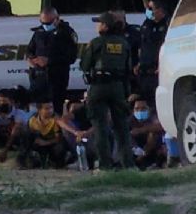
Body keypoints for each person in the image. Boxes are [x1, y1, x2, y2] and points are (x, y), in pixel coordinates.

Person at [80, 11, 135, 170]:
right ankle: (128, 164)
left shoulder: (96, 43)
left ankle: (105, 165)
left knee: (100, 127)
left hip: (98, 87)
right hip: (118, 87)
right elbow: (128, 68)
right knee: (122, 127)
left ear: (105, 26)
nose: (98, 25)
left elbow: (84, 66)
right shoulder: (124, 43)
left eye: (99, 23)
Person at [26, 7, 78, 114]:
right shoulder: (39, 31)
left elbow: (71, 57)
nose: (45, 25)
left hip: (57, 77)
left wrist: (49, 61)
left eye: (48, 22)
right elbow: (30, 49)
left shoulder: (67, 33)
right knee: (37, 107)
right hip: (39, 76)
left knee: (56, 108)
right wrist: (31, 59)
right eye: (42, 22)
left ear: (57, 19)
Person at [137, 0, 169, 105]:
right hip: (144, 72)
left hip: (158, 71)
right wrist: (139, 63)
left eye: (151, 8)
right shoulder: (146, 24)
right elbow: (142, 45)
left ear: (160, 10)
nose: (148, 11)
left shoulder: (168, 25)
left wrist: (163, 65)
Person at [19, 101, 66, 168]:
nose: (50, 110)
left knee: (59, 148)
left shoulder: (55, 120)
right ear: (39, 110)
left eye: (51, 108)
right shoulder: (32, 120)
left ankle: (56, 164)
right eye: (46, 108)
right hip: (39, 144)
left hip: (51, 144)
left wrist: (45, 142)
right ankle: (23, 161)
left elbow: (58, 138)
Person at [0, 89, 28, 162]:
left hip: (15, 142)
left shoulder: (19, 113)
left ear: (12, 102)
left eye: (4, 101)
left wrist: (5, 150)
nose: (1, 103)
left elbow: (15, 131)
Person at [130, 97, 165, 169]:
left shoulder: (153, 117)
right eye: (137, 109)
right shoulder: (130, 120)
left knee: (153, 134)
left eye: (143, 108)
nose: (140, 111)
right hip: (136, 150)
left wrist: (142, 130)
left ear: (149, 109)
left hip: (152, 150)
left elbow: (160, 126)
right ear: (133, 111)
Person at [58, 99, 95, 170]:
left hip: (94, 138)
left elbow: (104, 122)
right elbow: (62, 120)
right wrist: (75, 132)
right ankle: (80, 159)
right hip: (81, 138)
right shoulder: (82, 110)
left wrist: (87, 133)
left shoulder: (102, 109)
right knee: (66, 127)